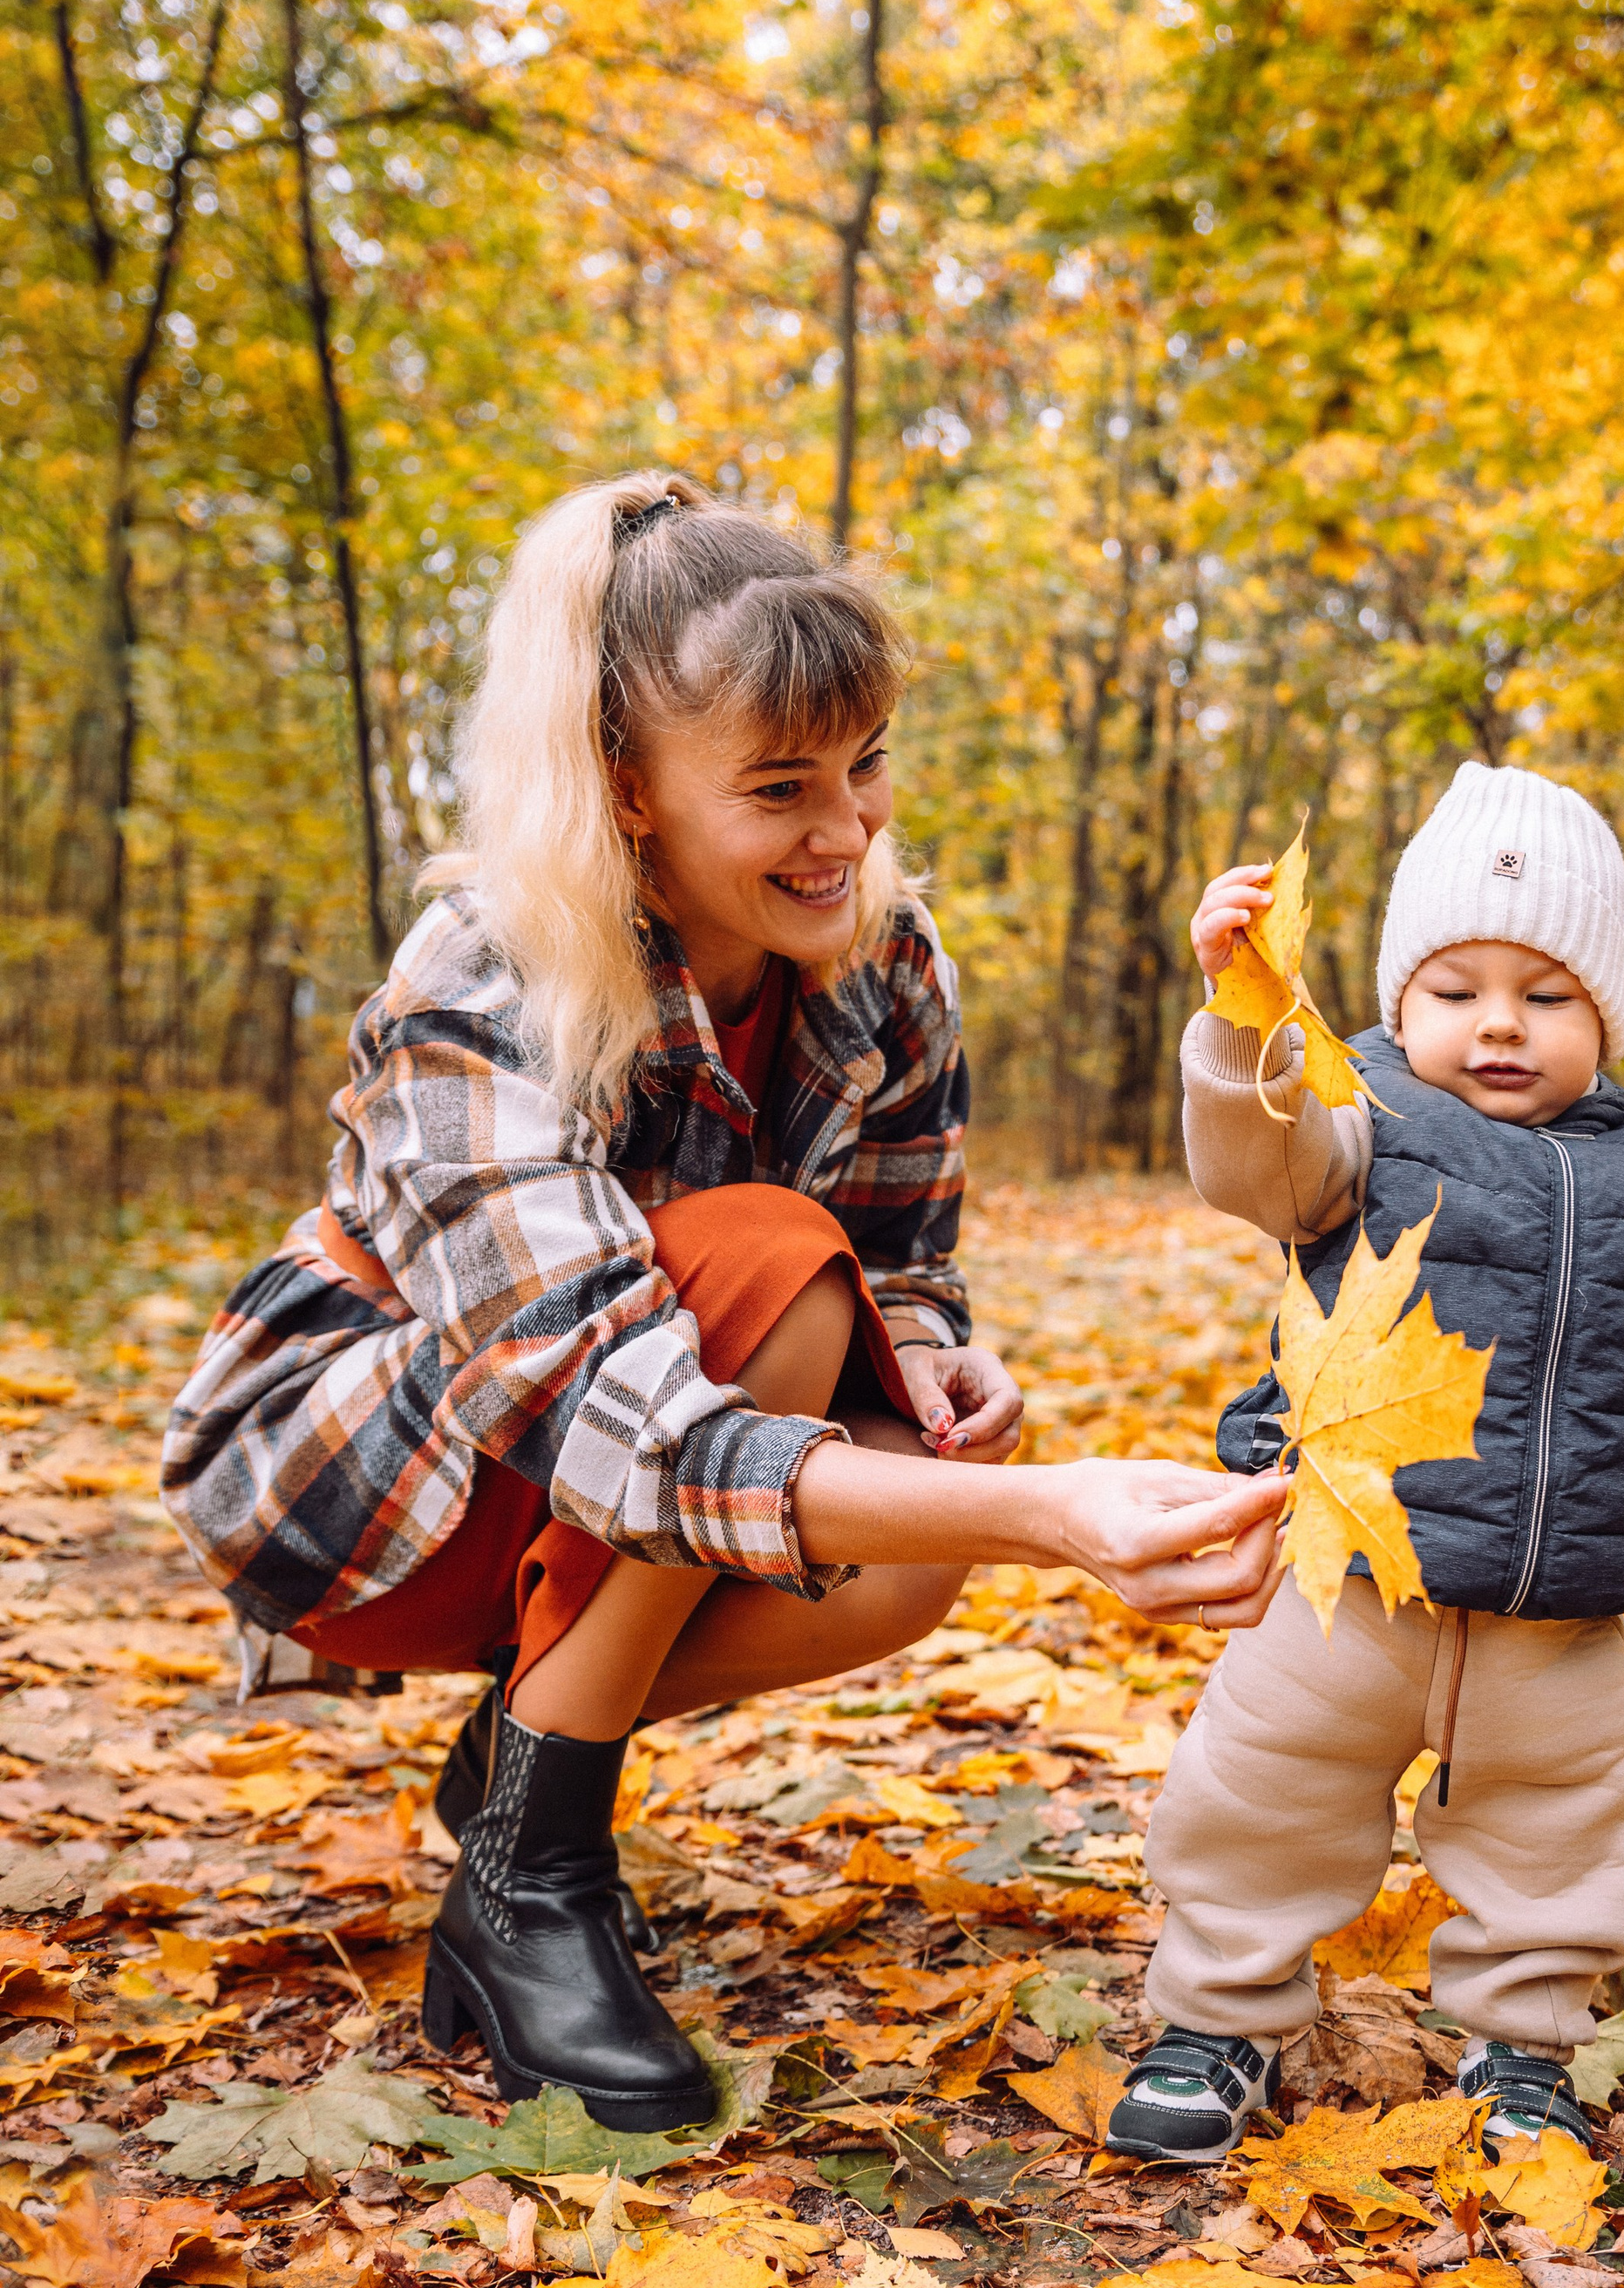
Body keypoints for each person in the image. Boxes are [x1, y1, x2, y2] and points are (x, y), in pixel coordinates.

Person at [163, 471, 1287, 2136]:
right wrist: (1056, 1519)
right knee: (763, 1253)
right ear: (626, 788)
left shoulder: (889, 969)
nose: (846, 833)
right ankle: (529, 1887)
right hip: (367, 1481)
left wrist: (941, 1369)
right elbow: (597, 1404)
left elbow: (898, 1255)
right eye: (779, 788)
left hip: (616, 1472)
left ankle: (520, 1781)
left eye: (866, 767)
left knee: (914, 1536)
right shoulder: (488, 974)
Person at [1108, 762, 1624, 2165]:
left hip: (1562, 1615)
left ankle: (1523, 2050)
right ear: (1399, 1004)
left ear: (1604, 1017)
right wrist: (1243, 1013)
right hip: (1356, 1583)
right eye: (1456, 990)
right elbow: (1254, 1166)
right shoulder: (1355, 1128)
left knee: (1568, 1832)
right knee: (1262, 1791)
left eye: (1546, 996)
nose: (1499, 1023)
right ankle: (1218, 2022)